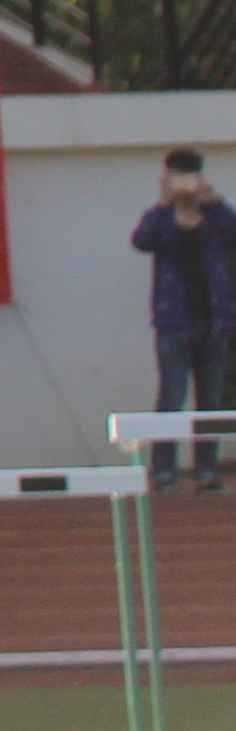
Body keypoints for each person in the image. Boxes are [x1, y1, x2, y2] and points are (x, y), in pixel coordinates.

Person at [140, 150, 230, 489]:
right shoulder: (161, 218)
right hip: (173, 320)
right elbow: (141, 241)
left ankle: (206, 469)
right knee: (171, 396)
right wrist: (163, 204)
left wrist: (215, 200)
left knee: (210, 400)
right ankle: (164, 470)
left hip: (213, 320)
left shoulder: (214, 217)